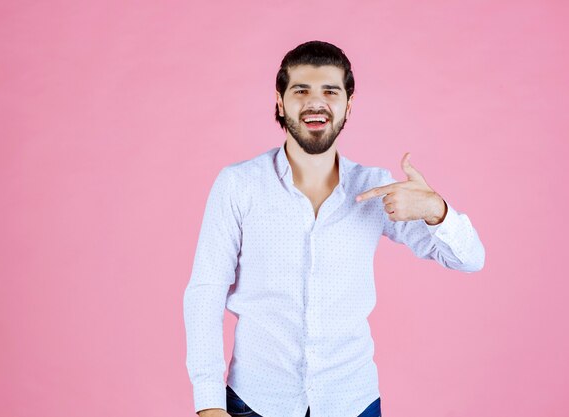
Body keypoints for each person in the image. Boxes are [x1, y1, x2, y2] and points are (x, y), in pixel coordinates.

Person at [183, 40, 485, 417]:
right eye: (301, 90)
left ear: (348, 105)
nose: (316, 102)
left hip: (352, 402)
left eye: (330, 91)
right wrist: (208, 403)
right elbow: (205, 291)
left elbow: (470, 259)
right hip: (256, 401)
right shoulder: (238, 185)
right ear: (279, 101)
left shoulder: (376, 189)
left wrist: (436, 209)